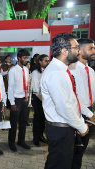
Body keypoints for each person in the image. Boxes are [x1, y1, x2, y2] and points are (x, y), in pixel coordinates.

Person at [41, 33, 94, 169]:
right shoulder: (55, 73)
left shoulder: (62, 70)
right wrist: (81, 126)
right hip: (60, 130)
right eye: (76, 48)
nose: (78, 51)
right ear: (65, 51)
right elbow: (63, 107)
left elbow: (72, 100)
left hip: (65, 128)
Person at [69, 38, 95, 169]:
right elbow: (74, 97)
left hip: (89, 112)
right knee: (73, 151)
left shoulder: (91, 71)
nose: (93, 51)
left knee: (81, 151)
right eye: (90, 48)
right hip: (78, 112)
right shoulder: (72, 70)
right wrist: (89, 114)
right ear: (80, 50)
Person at [8, 49, 31, 152]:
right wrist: (12, 103)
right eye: (24, 58)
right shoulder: (13, 70)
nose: (26, 60)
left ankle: (21, 141)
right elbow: (10, 88)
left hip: (25, 99)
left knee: (23, 122)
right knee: (13, 123)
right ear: (19, 58)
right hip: (16, 100)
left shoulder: (26, 70)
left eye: (27, 58)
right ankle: (11, 143)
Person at [31, 54, 49, 147]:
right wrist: (43, 99)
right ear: (40, 62)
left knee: (43, 119)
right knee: (37, 118)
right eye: (45, 60)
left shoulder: (48, 71)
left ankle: (41, 135)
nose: (47, 62)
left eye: (48, 60)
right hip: (38, 98)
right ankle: (36, 138)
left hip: (46, 99)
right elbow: (36, 88)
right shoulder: (35, 73)